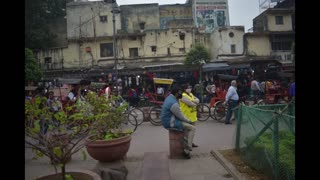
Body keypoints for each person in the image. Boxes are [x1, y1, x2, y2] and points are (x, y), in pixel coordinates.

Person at [160, 85, 196, 159]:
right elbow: (181, 116)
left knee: (187, 127)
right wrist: (189, 121)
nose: (181, 94)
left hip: (168, 120)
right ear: (176, 93)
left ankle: (186, 147)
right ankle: (188, 148)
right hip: (170, 122)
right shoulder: (174, 103)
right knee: (192, 128)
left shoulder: (170, 97)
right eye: (180, 92)